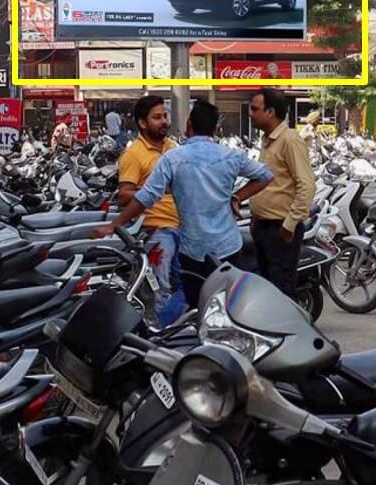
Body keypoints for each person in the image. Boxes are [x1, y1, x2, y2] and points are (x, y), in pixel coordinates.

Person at [94, 100, 273, 308]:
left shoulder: (173, 157)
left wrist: (113, 225)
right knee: (226, 305)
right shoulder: (231, 156)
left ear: (189, 125)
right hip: (228, 247)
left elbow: (146, 197)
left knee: (197, 306)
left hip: (193, 250)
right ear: (214, 129)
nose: (164, 121)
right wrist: (238, 197)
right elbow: (265, 175)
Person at [116, 96, 184, 324]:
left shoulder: (173, 148)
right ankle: (160, 334)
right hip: (157, 231)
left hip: (182, 228)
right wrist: (154, 191)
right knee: (161, 289)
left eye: (165, 116)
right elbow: (124, 195)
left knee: (187, 284)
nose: (164, 121)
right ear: (143, 123)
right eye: (157, 117)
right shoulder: (134, 154)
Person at [248, 89, 317, 299]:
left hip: (280, 229)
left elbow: (307, 185)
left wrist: (289, 225)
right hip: (264, 226)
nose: (250, 113)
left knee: (281, 292)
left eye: (254, 109)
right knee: (268, 291)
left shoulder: (290, 140)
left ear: (270, 112)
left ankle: (287, 331)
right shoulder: (268, 140)